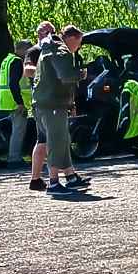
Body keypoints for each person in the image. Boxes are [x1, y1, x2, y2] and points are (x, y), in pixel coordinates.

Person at [33, 25, 90, 195]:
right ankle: (53, 183)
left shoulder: (48, 49)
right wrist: (81, 74)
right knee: (57, 142)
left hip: (44, 103)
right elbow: (65, 76)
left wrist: (69, 104)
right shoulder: (62, 52)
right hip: (53, 105)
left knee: (63, 140)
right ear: (72, 38)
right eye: (78, 43)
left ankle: (71, 177)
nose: (78, 47)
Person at [0, 39, 33, 168]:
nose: (28, 54)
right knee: (18, 131)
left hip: (7, 101)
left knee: (16, 130)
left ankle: (14, 157)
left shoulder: (7, 60)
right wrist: (20, 103)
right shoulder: (17, 62)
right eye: (28, 51)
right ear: (22, 49)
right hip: (15, 102)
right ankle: (14, 159)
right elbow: (13, 84)